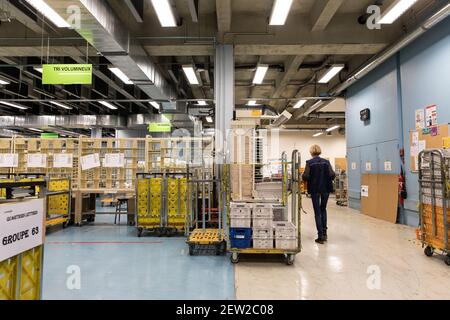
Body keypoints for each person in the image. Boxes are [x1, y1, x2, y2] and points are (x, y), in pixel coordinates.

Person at [302, 145, 336, 244]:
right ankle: (325, 233)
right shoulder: (326, 162)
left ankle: (320, 236)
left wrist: (303, 176)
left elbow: (306, 176)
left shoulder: (309, 163)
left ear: (311, 152)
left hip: (314, 189)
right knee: (323, 209)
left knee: (317, 212)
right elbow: (332, 175)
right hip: (326, 189)